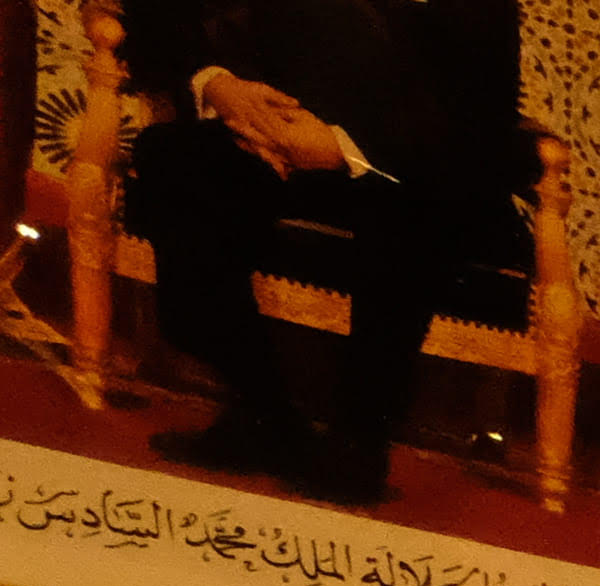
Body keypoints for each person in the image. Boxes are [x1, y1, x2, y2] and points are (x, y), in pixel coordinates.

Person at [121, 0, 533, 510]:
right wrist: (219, 86)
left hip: (407, 163)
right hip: (275, 130)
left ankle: (358, 444)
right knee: (175, 159)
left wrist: (343, 148)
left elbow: (476, 122)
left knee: (415, 213)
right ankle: (262, 410)